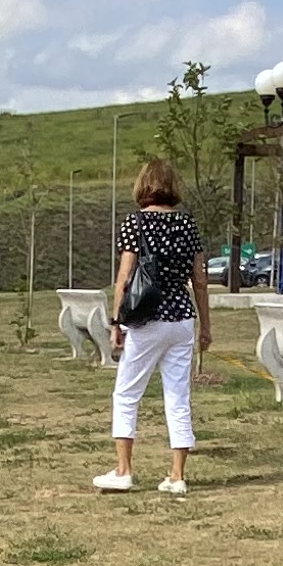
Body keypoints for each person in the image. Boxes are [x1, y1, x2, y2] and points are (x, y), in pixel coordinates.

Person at [100, 155, 205, 496]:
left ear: (143, 186)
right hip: (181, 318)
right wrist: (205, 325)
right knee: (177, 396)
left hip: (146, 318)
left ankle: (123, 469)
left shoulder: (135, 224)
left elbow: (124, 277)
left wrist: (116, 321)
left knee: (127, 393)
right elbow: (199, 281)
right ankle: (176, 475)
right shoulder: (188, 225)